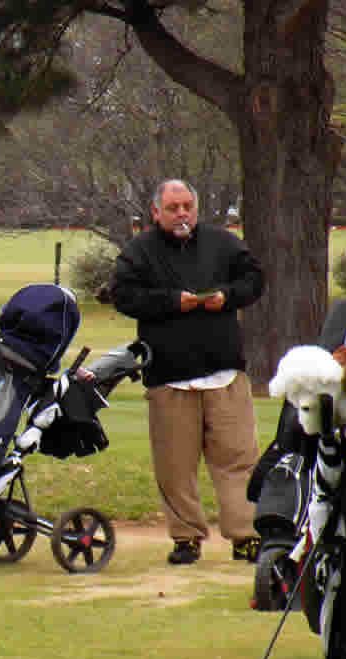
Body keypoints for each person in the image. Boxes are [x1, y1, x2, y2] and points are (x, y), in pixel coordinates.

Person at [112, 179, 264, 565]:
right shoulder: (139, 252)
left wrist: (226, 297)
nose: (182, 214)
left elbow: (254, 280)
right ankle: (186, 538)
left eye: (187, 207)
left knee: (238, 461)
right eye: (173, 207)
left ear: (196, 209)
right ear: (156, 212)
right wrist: (171, 302)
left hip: (225, 374)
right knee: (175, 467)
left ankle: (246, 536)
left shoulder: (224, 243)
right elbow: (124, 296)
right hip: (170, 377)